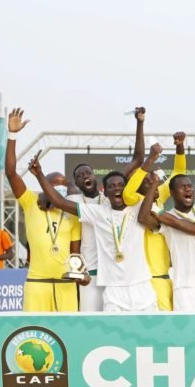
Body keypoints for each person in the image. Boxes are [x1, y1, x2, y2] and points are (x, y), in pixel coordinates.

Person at [30, 151, 159, 312]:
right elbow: (58, 200)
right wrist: (40, 176)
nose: (116, 188)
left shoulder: (135, 206)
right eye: (111, 186)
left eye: (120, 186)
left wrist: (141, 125)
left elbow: (137, 160)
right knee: (100, 328)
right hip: (98, 276)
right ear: (105, 191)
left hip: (136, 283)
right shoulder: (96, 211)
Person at [67, 107, 146, 311]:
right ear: (76, 182)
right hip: (91, 273)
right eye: (79, 175)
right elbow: (54, 200)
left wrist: (139, 123)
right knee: (92, 326)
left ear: (95, 176)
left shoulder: (110, 195)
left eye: (88, 173)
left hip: (115, 273)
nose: (85, 176)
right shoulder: (75, 199)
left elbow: (137, 159)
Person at [5, 108, 83, 312]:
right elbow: (11, 173)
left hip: (66, 284)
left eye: (63, 184)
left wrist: (80, 275)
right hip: (37, 283)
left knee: (68, 337)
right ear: (45, 186)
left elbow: (76, 255)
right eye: (55, 183)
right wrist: (12, 135)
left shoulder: (71, 213)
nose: (60, 187)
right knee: (35, 334)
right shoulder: (30, 201)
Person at [122, 131, 188, 311]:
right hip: (137, 282)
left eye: (155, 180)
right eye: (148, 181)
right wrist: (149, 160)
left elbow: (178, 175)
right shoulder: (133, 202)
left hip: (160, 280)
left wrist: (180, 147)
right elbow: (127, 192)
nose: (155, 183)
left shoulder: (159, 200)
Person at [150, 173, 195, 311]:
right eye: (182, 187)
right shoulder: (167, 217)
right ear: (172, 192)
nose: (188, 189)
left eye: (189, 186)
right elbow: (149, 213)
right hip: (183, 288)